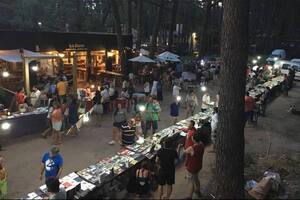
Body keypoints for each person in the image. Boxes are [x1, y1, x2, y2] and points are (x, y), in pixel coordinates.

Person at [184, 134, 205, 199]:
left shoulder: (192, 148)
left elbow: (185, 151)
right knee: (196, 178)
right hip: (198, 165)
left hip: (192, 166)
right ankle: (198, 191)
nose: (192, 139)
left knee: (191, 181)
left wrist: (181, 148)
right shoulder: (201, 144)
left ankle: (189, 197)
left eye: (192, 138)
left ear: (194, 140)